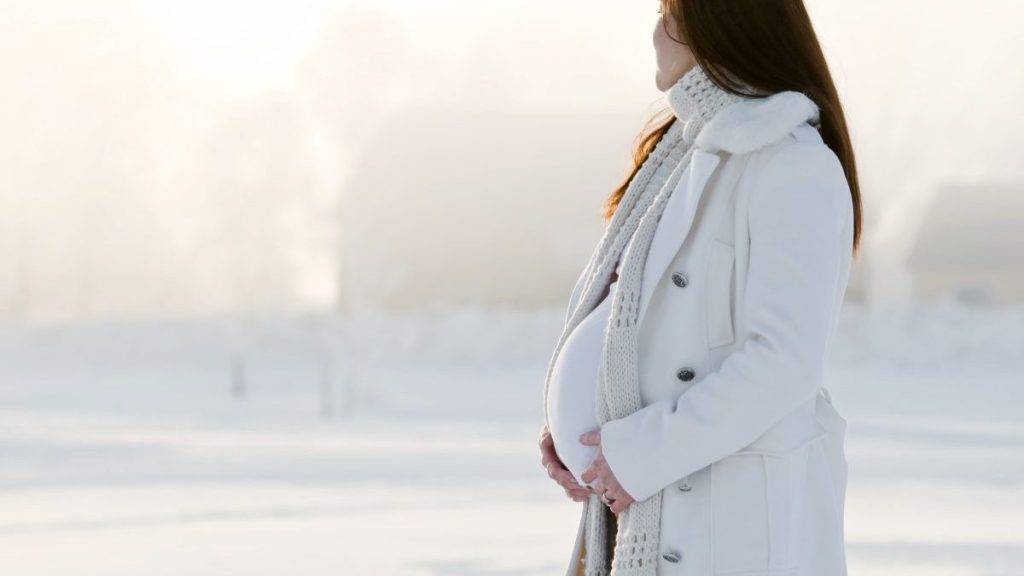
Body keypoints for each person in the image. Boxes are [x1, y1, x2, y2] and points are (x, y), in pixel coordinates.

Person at [538, 1, 863, 575]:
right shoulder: (681, 158)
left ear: (719, 27)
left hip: (726, 522)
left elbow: (784, 361)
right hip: (640, 504)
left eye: (669, 17)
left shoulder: (790, 166)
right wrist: (580, 440)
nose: (654, 33)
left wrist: (639, 454)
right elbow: (636, 324)